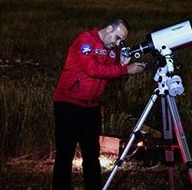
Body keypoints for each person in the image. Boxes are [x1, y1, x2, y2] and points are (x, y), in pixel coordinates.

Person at [52, 18, 146, 190]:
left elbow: (110, 72)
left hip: (91, 107)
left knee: (92, 155)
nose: (118, 43)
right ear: (110, 28)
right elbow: (93, 69)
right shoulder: (85, 41)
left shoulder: (111, 50)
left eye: (121, 41)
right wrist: (126, 69)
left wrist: (120, 63)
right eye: (117, 38)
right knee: (65, 155)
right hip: (69, 104)